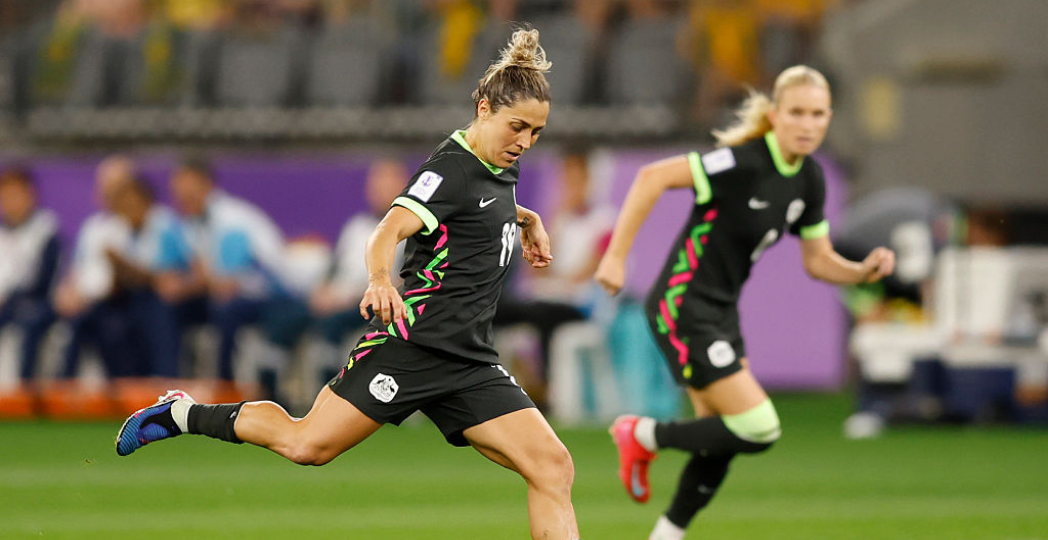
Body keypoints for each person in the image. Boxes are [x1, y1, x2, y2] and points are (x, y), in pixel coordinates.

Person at [116, 28, 582, 540]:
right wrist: (381, 278)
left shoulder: (498, 161)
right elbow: (389, 228)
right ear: (483, 107)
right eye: (518, 127)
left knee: (553, 468)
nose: (526, 142)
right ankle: (182, 413)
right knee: (306, 446)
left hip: (469, 360)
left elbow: (475, 211)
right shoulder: (449, 170)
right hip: (412, 345)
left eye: (537, 132)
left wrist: (524, 216)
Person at [594, 65, 896, 540]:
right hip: (682, 305)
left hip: (720, 312)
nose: (807, 124)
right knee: (759, 425)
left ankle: (665, 535)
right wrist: (615, 257)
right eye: (796, 112)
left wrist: (860, 272)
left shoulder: (809, 179)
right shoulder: (742, 162)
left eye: (817, 114)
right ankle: (642, 433)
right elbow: (652, 177)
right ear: (775, 115)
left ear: (829, 118)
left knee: (720, 437)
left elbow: (817, 260)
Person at [53, 155, 135, 379]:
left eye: (115, 187)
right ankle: (56, 392)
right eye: (103, 186)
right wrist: (67, 291)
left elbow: (120, 281)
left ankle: (68, 384)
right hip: (84, 301)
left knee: (91, 321)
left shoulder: (133, 226)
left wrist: (87, 298)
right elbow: (77, 267)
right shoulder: (92, 227)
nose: (107, 192)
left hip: (116, 304)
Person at [106, 177, 196, 378]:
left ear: (146, 202)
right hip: (141, 298)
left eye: (133, 203)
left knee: (157, 308)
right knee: (111, 319)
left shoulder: (165, 225)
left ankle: (165, 377)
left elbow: (163, 277)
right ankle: (125, 381)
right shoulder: (122, 229)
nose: (129, 210)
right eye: (124, 205)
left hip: (180, 299)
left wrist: (123, 264)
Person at [0, 167, 60, 384]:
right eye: (5, 196)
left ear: (30, 194)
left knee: (29, 320)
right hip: (5, 305)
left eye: (16, 195)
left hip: (36, 302)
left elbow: (43, 280)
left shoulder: (45, 229)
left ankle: (23, 391)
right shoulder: (2, 233)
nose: (10, 202)